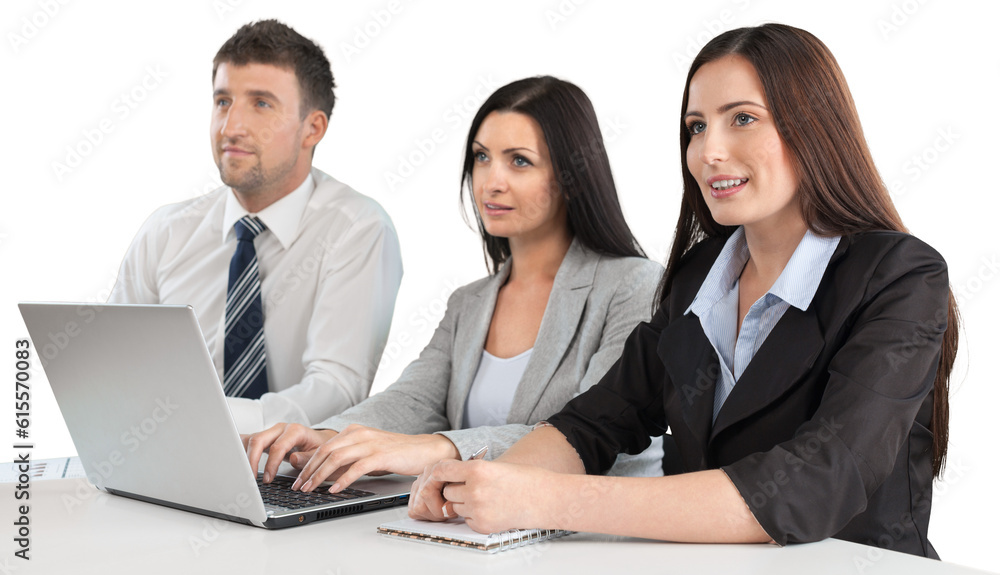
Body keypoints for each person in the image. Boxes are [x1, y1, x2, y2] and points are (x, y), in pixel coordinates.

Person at [409, 24, 959, 560]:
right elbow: (598, 421)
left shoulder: (900, 276)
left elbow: (817, 481)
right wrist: (487, 484)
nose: (708, 152)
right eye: (696, 127)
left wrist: (547, 500)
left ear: (813, 128)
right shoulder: (701, 274)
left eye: (742, 119)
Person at [244, 76, 664, 493]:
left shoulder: (631, 286)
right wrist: (328, 437)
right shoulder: (469, 302)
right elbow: (414, 400)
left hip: (594, 543)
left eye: (519, 160)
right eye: (482, 157)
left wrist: (439, 449)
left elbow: (593, 434)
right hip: (480, 535)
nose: (491, 181)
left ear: (571, 176)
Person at [108, 20, 403, 433]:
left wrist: (208, 423)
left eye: (261, 103)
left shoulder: (357, 229)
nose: (231, 128)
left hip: (291, 475)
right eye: (223, 101)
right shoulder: (166, 232)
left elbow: (338, 389)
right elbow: (112, 366)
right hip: (164, 456)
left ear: (312, 128)